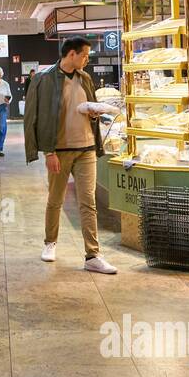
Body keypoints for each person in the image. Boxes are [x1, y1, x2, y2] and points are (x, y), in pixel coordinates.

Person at [23, 37, 118, 274]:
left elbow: (91, 109)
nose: (87, 59)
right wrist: (48, 152)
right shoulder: (44, 79)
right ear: (72, 54)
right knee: (55, 199)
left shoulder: (85, 78)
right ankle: (50, 242)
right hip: (60, 151)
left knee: (89, 202)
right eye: (85, 55)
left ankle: (93, 255)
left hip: (86, 148)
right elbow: (37, 117)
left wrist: (95, 114)